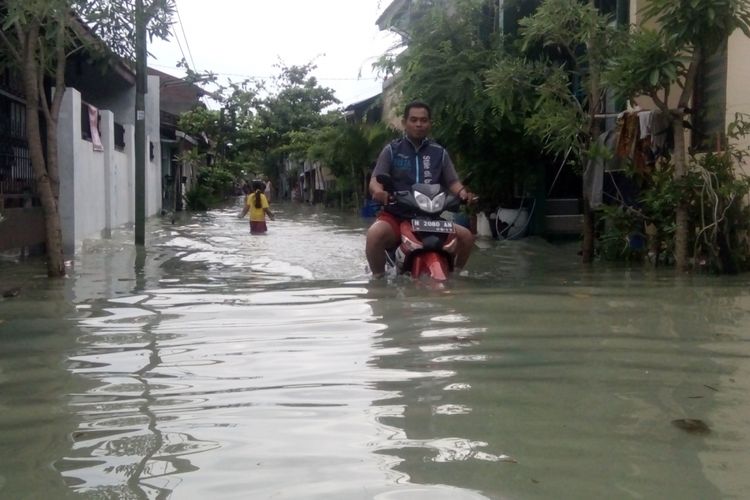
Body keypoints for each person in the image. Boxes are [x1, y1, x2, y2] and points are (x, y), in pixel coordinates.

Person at [365, 100, 476, 278]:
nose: (419, 124)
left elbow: (453, 182)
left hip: (431, 217)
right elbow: (375, 179)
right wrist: (378, 192)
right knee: (374, 235)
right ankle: (378, 281)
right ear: (404, 122)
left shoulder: (439, 153)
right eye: (414, 119)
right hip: (396, 214)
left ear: (429, 123)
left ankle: (455, 275)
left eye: (423, 120)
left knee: (467, 237)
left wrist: (462, 193)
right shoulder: (391, 150)